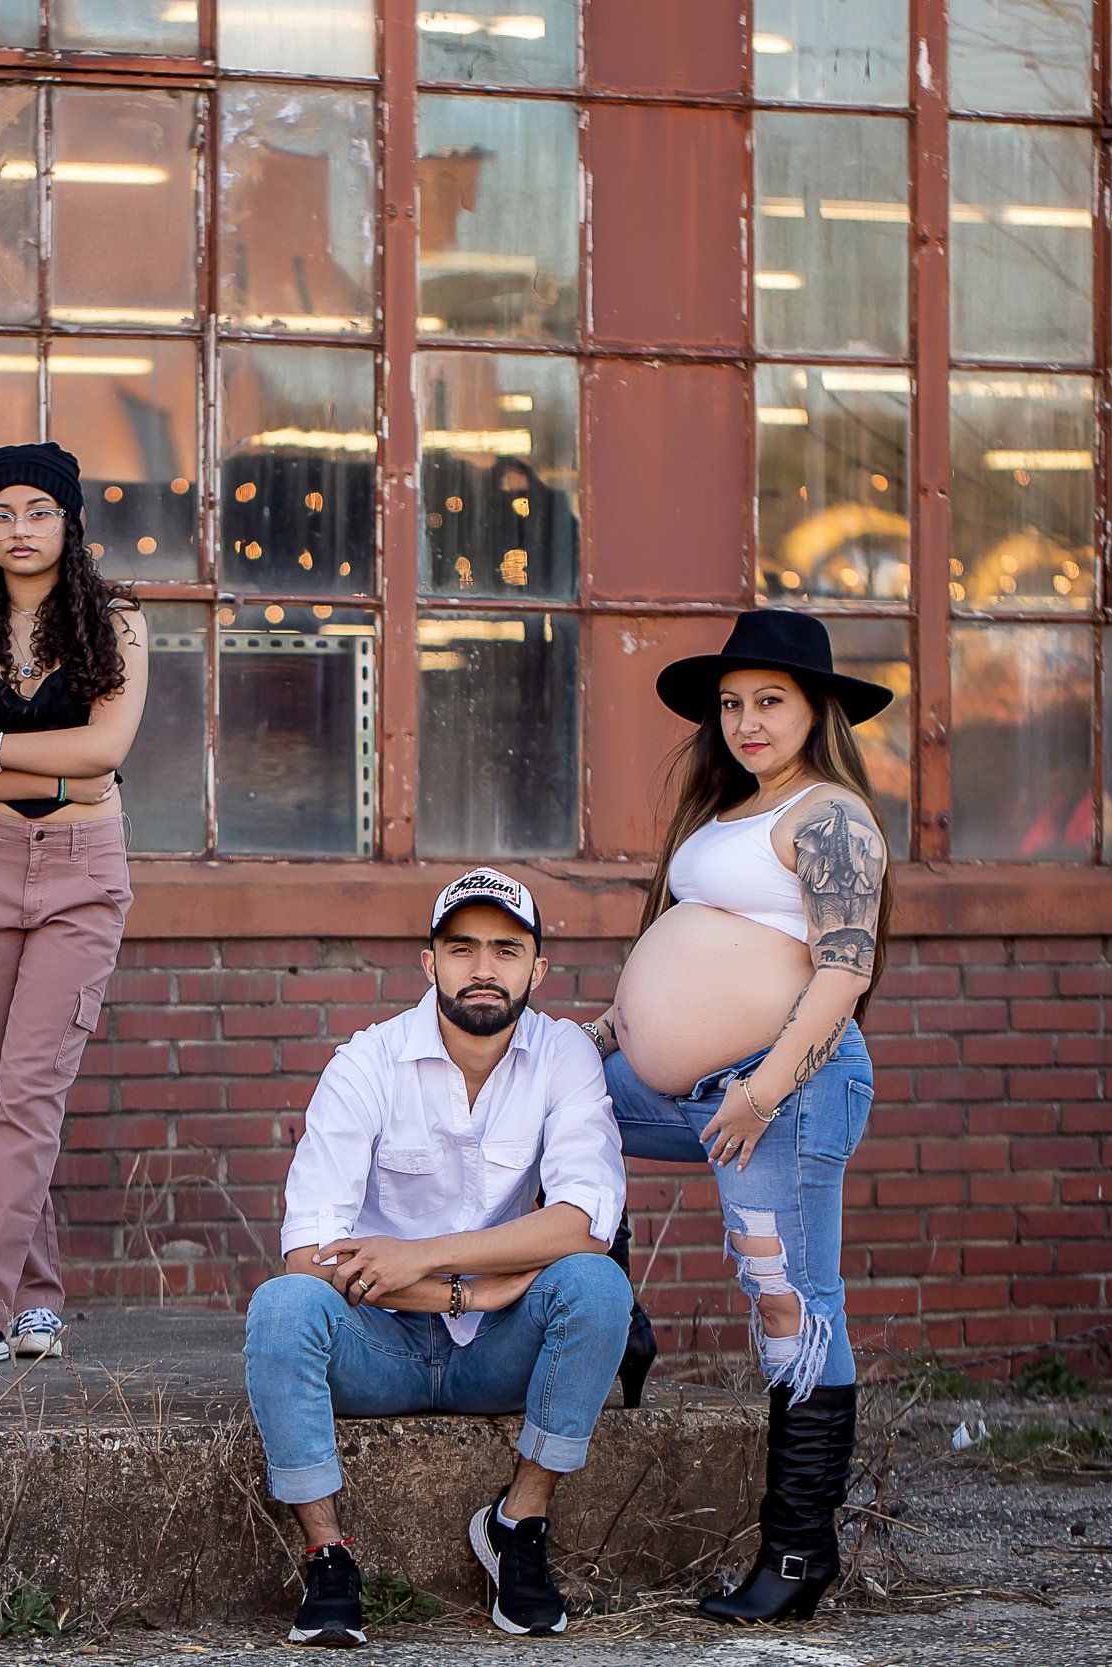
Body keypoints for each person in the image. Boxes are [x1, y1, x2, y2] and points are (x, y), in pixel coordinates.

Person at [580, 607, 892, 1627]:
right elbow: (702, 943)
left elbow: (843, 969)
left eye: (769, 701)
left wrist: (762, 1091)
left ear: (817, 709)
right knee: (555, 1112)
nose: (746, 722)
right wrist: (617, 1024)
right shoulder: (723, 815)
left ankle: (799, 1551)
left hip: (785, 1086)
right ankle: (611, 1322)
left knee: (791, 1304)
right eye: (730, 704)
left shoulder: (828, 815)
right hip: (692, 1084)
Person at [245, 869, 630, 1646]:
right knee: (281, 1307)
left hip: (497, 1347)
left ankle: (517, 1523)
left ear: (537, 968)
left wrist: (431, 1264)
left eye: (506, 949)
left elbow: (583, 1224)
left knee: (597, 1286)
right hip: (375, 1343)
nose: (483, 967)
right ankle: (327, 1555)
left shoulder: (563, 1055)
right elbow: (306, 1255)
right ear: (429, 962)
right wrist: (464, 1292)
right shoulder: (367, 1062)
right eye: (462, 948)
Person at [0, 442, 148, 1368]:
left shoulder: (114, 624)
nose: (19, 529)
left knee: (32, 1091)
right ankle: (37, 1301)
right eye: (0, 513)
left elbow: (107, 749)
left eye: (38, 512)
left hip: (85, 871)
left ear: (69, 522)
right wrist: (54, 765)